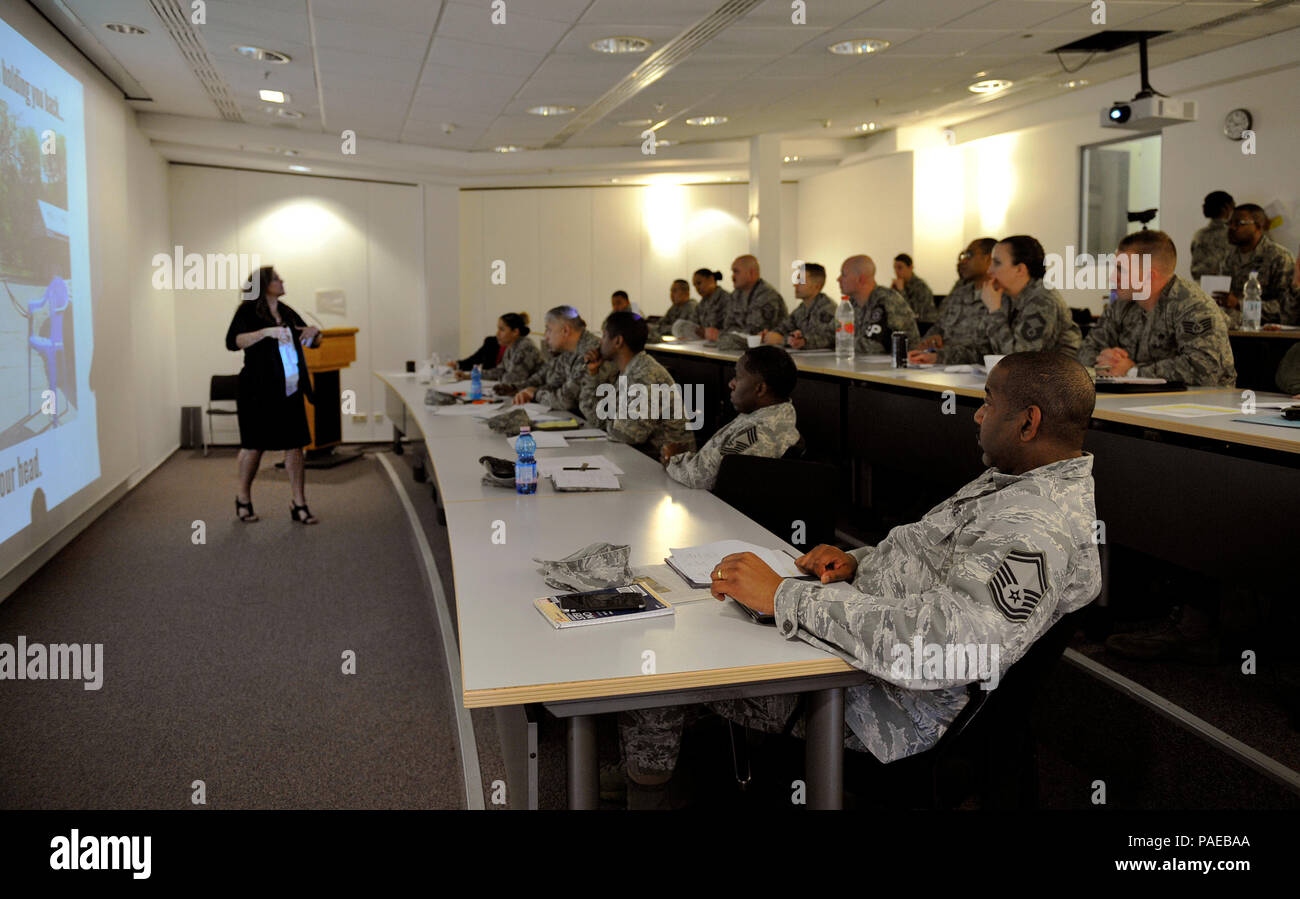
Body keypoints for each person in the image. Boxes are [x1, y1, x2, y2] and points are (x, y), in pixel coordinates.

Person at [620, 351, 1102, 807]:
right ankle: (651, 768)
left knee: (669, 663)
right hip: (861, 638)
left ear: (1028, 422)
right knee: (700, 614)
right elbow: (935, 556)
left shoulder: (1036, 524)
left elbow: (954, 646)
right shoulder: (1016, 480)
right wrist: (859, 562)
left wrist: (785, 597)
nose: (977, 415)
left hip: (880, 704)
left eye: (989, 402)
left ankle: (646, 786)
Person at [224, 266, 322, 525]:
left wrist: (313, 334)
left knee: (295, 444)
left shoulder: (287, 311)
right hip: (256, 389)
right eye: (277, 278)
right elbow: (233, 341)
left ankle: (298, 503)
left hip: (289, 388)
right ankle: (243, 498)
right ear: (264, 284)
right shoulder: (247, 311)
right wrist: (264, 333)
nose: (282, 281)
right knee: (253, 446)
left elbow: (306, 339)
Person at [1077, 230, 1236, 387]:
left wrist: (1133, 371)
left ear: (1148, 276)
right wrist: (1106, 362)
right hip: (1138, 399)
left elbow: (1206, 369)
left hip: (1200, 405)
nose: (1112, 277)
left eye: (1121, 270)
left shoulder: (1194, 306)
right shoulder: (1121, 305)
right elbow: (1085, 350)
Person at [662, 346, 801, 489]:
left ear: (760, 389)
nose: (731, 384)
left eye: (738, 377)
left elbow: (701, 477)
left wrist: (672, 459)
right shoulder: (769, 414)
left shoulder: (759, 432)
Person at [578, 312, 695, 456]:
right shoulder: (628, 371)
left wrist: (609, 421)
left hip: (664, 465)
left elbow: (628, 435)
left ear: (618, 341)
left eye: (604, 336)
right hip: (641, 456)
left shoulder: (646, 375)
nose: (600, 343)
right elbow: (598, 419)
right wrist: (593, 374)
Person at [512, 306, 613, 411]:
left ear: (565, 331)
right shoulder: (569, 351)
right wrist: (531, 390)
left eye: (548, 329)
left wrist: (535, 394)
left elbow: (566, 400)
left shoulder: (591, 352)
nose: (546, 336)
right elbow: (554, 383)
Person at [1212, 203, 1296, 327]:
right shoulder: (1228, 259)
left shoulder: (1279, 257)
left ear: (1258, 226)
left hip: (1269, 336)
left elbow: (1286, 308)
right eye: (1229, 223)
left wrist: (1239, 304)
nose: (1231, 228)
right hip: (1234, 331)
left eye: (1239, 223)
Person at [914, 238, 996, 363]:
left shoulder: (1000, 297)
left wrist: (940, 356)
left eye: (969, 255)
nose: (963, 261)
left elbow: (988, 351)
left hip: (976, 375)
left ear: (988, 259)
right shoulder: (960, 293)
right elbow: (938, 327)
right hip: (941, 368)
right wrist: (931, 340)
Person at [836, 254, 918, 355]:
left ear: (860, 279)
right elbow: (830, 334)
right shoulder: (851, 304)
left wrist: (840, 343)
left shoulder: (886, 300)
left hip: (899, 365)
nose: (838, 279)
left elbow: (874, 346)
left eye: (843, 275)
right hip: (865, 364)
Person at [455, 313, 543, 393]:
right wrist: (471, 375)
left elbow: (514, 379)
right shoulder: (511, 347)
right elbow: (498, 371)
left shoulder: (525, 347)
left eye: (502, 329)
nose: (497, 334)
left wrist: (501, 377)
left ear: (515, 332)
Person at [714, 255, 787, 349]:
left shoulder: (767, 295)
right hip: (739, 349)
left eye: (736, 272)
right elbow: (727, 326)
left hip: (766, 353)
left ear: (751, 273)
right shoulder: (736, 295)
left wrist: (730, 336)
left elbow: (754, 334)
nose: (732, 276)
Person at [762, 262, 836, 349]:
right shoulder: (802, 308)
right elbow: (784, 327)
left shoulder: (827, 309)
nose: (795, 285)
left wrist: (783, 340)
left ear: (817, 286)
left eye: (801, 281)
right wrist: (768, 335)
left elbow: (825, 339)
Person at [1189, 190, 1234, 280]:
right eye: (1234, 207)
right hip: (1228, 287)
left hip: (1201, 287)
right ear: (1226, 208)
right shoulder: (1233, 233)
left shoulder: (1199, 235)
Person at [686, 268, 731, 340]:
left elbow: (731, 329)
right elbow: (693, 324)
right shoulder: (701, 304)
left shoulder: (727, 299)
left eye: (699, 283)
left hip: (722, 344)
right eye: (695, 285)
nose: (697, 288)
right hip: (702, 345)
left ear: (711, 279)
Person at [892, 253, 938, 321]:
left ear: (910, 267)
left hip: (923, 325)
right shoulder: (899, 284)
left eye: (900, 268)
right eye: (895, 268)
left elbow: (914, 313)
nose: (896, 271)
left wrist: (901, 291)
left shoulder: (920, 287)